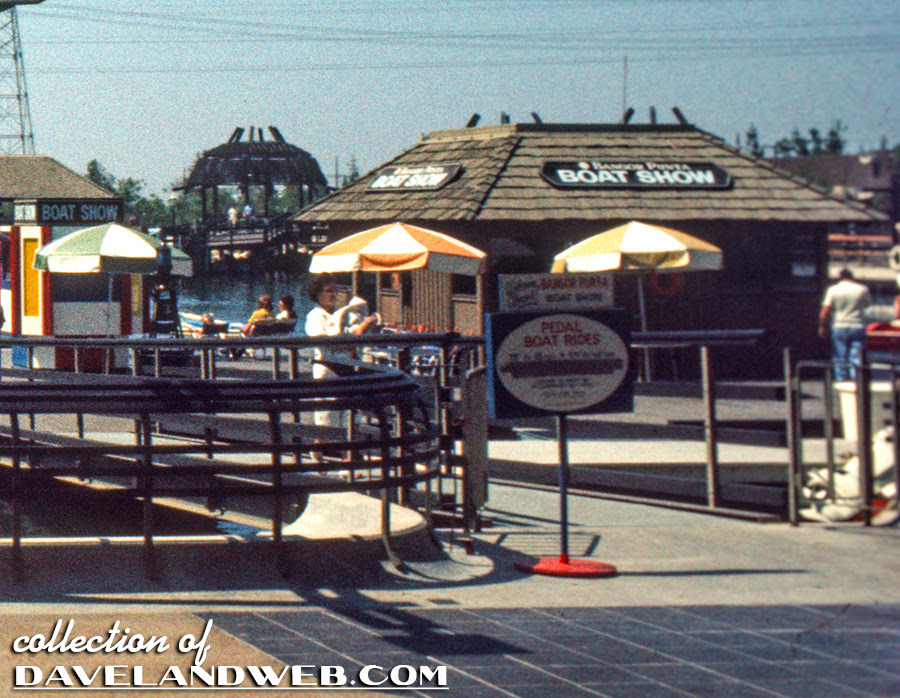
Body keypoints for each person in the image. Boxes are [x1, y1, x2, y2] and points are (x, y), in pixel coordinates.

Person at [305, 275, 378, 428]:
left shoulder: (341, 315)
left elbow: (350, 335)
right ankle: (321, 443)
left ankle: (345, 442)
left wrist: (364, 327)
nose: (333, 294)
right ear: (318, 294)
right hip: (328, 370)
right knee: (326, 421)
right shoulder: (314, 316)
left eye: (335, 290)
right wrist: (351, 341)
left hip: (345, 369)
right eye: (328, 291)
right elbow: (325, 343)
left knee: (346, 419)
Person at [818, 268, 871, 382]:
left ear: (840, 278)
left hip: (839, 325)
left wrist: (822, 326)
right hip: (858, 325)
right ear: (852, 277)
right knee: (856, 356)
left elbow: (825, 311)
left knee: (839, 356)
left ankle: (841, 380)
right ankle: (857, 380)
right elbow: (867, 305)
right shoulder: (863, 289)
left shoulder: (833, 290)